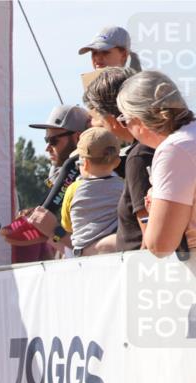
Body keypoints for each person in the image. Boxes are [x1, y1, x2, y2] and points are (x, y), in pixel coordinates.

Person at [116, 70, 196, 257]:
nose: (125, 127)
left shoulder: (174, 150)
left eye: (124, 120)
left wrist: (153, 205)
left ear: (139, 119)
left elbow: (160, 246)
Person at [4, 105, 91, 259]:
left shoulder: (89, 183)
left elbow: (87, 246)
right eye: (46, 140)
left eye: (53, 141)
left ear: (78, 138)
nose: (47, 148)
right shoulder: (60, 175)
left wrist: (54, 232)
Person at [82, 66, 154, 251]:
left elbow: (150, 236)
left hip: (148, 271)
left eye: (97, 115)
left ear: (112, 119)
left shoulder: (139, 156)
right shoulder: (157, 144)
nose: (96, 123)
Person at [57, 128, 123, 256]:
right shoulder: (123, 186)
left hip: (83, 253)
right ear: (117, 162)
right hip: (114, 252)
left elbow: (66, 224)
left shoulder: (74, 189)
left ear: (85, 163)